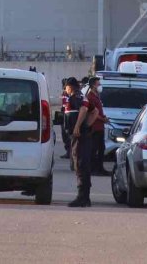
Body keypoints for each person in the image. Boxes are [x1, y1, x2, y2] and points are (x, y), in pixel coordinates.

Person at [67, 78, 99, 207]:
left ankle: (82, 197)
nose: (65, 90)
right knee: (82, 164)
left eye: (66, 87)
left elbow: (84, 110)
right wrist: (86, 125)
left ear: (70, 87)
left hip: (79, 137)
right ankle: (85, 197)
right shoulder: (82, 96)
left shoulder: (76, 97)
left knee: (80, 165)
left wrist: (78, 126)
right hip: (82, 135)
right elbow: (95, 111)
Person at [86, 77, 108, 175]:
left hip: (100, 126)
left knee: (101, 148)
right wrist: (102, 119)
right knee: (94, 149)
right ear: (93, 86)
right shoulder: (90, 97)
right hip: (94, 127)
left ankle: (100, 168)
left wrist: (104, 118)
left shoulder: (97, 96)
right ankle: (93, 169)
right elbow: (92, 112)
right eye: (98, 84)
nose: (100, 86)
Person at [60, 79, 72, 159]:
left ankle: (69, 152)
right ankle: (69, 151)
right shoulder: (65, 93)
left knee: (67, 134)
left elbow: (65, 105)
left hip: (67, 115)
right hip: (66, 114)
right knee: (66, 135)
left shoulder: (66, 93)